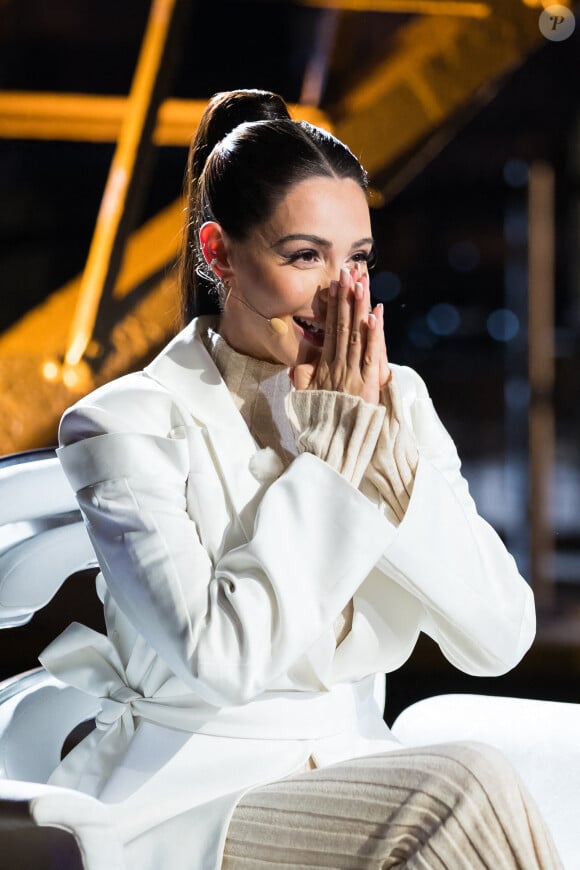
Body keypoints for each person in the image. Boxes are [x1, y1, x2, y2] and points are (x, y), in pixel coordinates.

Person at [39, 89, 562, 869]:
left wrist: (387, 468)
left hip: (349, 760)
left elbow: (500, 638)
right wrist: (328, 466)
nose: (341, 291)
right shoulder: (125, 424)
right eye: (304, 256)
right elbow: (221, 661)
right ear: (218, 254)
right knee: (457, 789)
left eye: (358, 260)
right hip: (189, 804)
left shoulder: (396, 401)